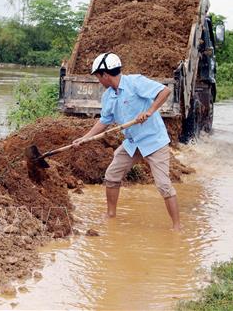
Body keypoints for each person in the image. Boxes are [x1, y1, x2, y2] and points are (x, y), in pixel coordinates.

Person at [72, 52, 181, 230]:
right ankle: (110, 214)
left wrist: (150, 111)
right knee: (112, 175)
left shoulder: (135, 82)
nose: (98, 80)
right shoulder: (108, 96)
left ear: (104, 75)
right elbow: (104, 122)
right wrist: (85, 138)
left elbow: (165, 91)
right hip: (132, 142)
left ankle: (177, 227)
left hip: (153, 140)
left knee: (163, 185)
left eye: (98, 76)